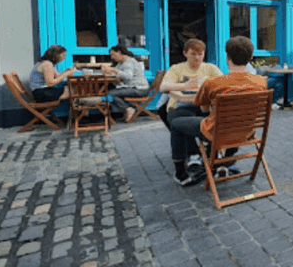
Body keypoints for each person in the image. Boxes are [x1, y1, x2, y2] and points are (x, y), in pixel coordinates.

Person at [168, 36, 266, 186]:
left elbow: (204, 109)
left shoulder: (213, 83)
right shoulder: (261, 82)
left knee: (176, 124)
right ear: (251, 57)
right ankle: (220, 163)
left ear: (227, 57)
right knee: (230, 124)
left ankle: (181, 174)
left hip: (217, 131)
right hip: (246, 132)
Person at [159, 39, 222, 177]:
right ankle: (194, 154)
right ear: (185, 53)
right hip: (181, 106)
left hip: (204, 106)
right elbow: (163, 87)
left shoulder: (211, 68)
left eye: (200, 54)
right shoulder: (177, 68)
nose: (197, 57)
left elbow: (222, 86)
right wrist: (185, 86)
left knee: (211, 117)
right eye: (193, 54)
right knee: (181, 120)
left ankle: (211, 155)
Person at [101, 45, 150, 122]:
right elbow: (117, 75)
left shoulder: (129, 62)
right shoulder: (121, 63)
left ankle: (127, 109)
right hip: (133, 87)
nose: (112, 57)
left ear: (119, 53)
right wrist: (109, 73)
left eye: (113, 54)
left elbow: (128, 76)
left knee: (110, 93)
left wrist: (114, 70)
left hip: (139, 89)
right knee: (109, 92)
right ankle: (125, 110)